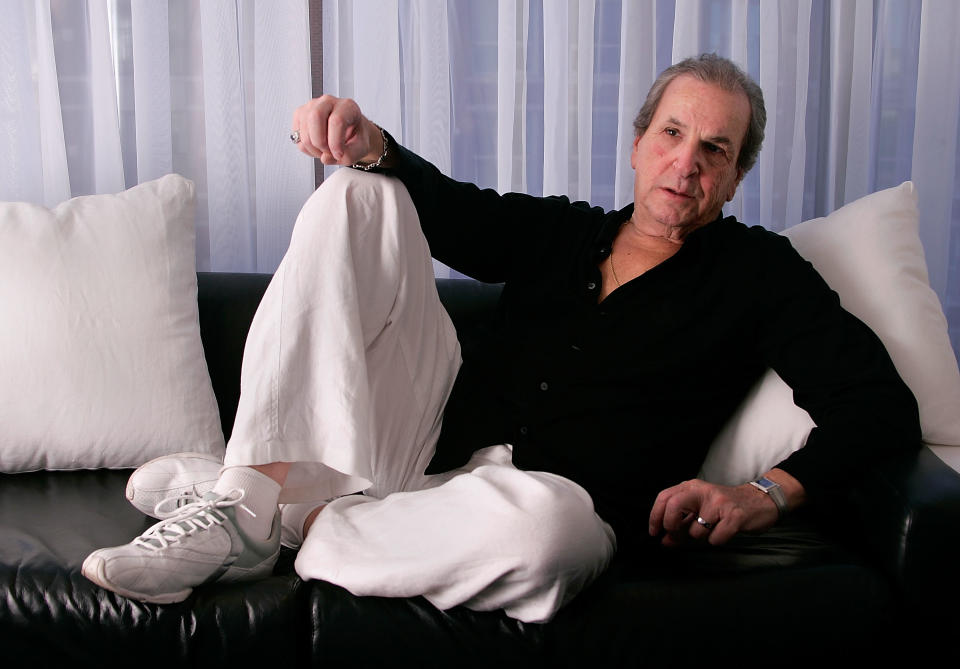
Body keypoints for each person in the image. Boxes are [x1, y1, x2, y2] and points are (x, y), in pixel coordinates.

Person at [82, 54, 920, 622]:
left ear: (736, 176)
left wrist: (760, 493)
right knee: (360, 195)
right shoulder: (563, 231)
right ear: (637, 144)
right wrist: (367, 143)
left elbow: (879, 406)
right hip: (418, 447)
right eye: (672, 133)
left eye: (715, 149)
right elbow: (453, 210)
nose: (686, 163)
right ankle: (257, 498)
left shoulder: (759, 274)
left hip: (555, 503)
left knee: (546, 532)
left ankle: (275, 508)